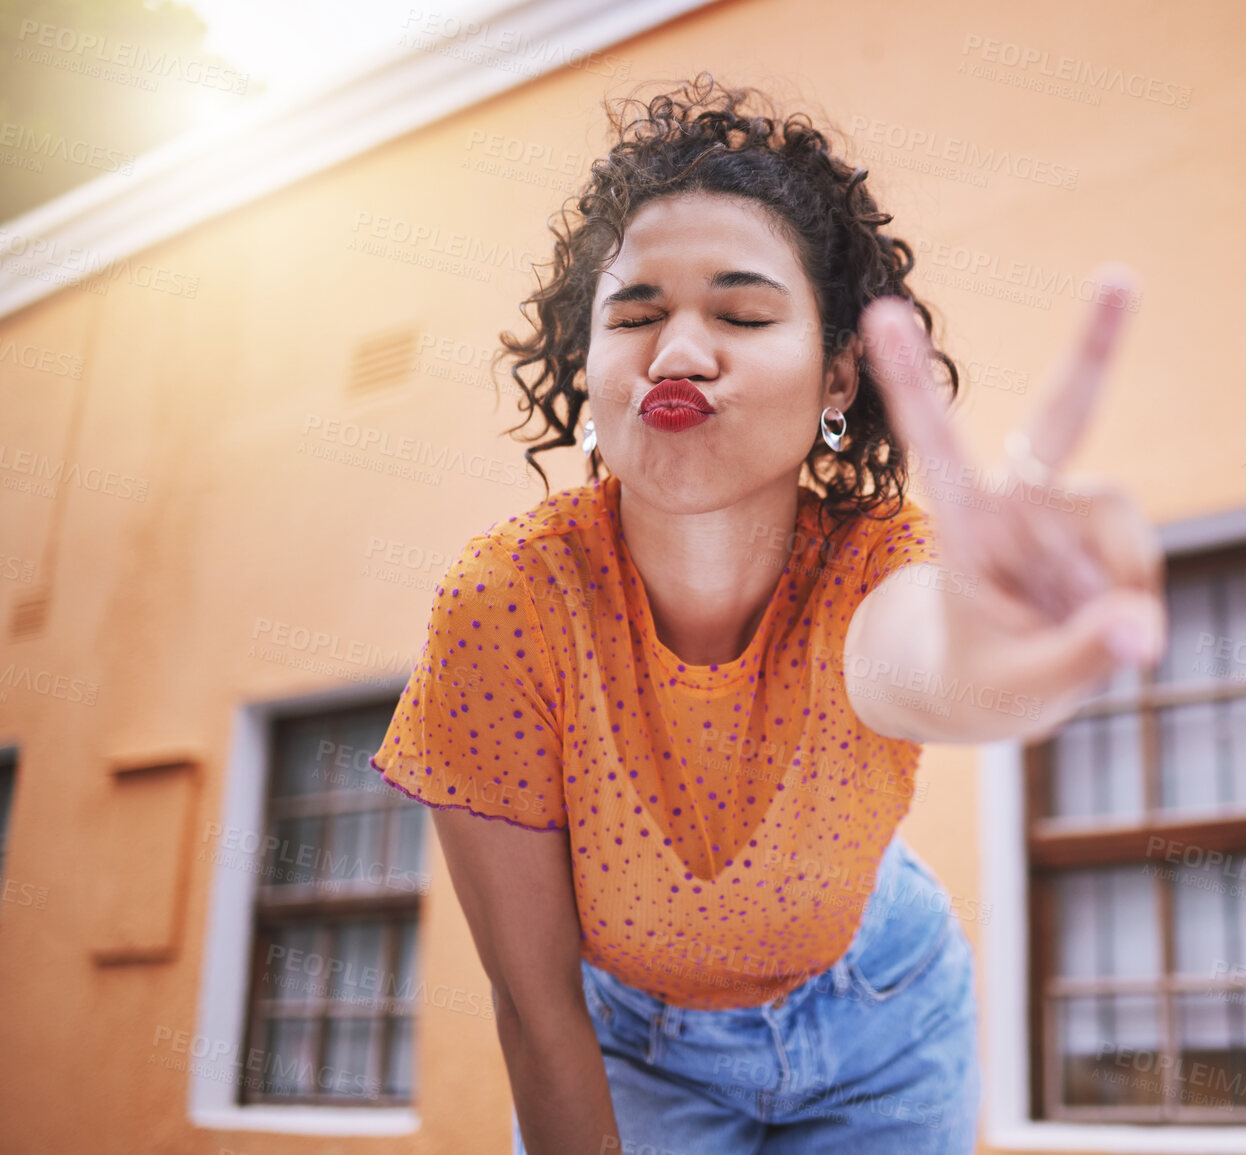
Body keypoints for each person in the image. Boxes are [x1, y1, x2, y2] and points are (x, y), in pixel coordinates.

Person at [369, 73, 1165, 1154]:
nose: (679, 354)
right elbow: (535, 1007)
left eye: (741, 313)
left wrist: (1008, 643)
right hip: (628, 1050)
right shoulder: (507, 603)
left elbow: (924, 658)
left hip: (887, 1017)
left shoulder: (876, 560)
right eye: (635, 314)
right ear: (588, 366)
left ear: (838, 379)